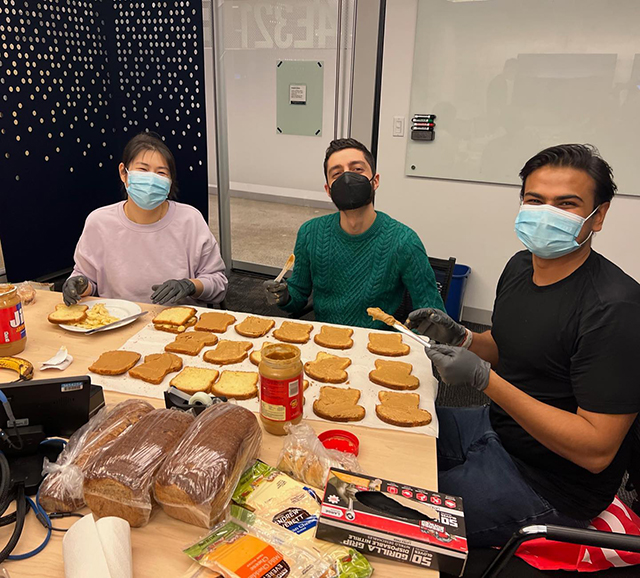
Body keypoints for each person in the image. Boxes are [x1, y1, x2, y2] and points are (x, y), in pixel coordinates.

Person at [408, 144, 640, 548]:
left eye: (566, 204)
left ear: (598, 216)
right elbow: (508, 345)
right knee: (390, 442)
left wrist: (484, 380)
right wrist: (463, 337)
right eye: (535, 200)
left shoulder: (615, 310)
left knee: (396, 520)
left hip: (549, 482)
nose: (546, 213)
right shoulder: (520, 266)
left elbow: (596, 450)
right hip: (495, 427)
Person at [263, 138, 444, 329]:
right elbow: (298, 295)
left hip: (377, 347)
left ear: (375, 181)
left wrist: (405, 342)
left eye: (357, 169)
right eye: (337, 173)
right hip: (325, 341)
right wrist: (284, 296)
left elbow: (434, 315)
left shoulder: (404, 241)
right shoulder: (310, 233)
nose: (347, 178)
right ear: (328, 190)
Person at [63, 132, 227, 306]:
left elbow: (219, 285)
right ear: (123, 173)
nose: (151, 180)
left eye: (161, 173)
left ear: (170, 181)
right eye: (142, 169)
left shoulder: (190, 220)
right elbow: (88, 281)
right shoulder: (99, 222)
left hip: (178, 324)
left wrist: (190, 285)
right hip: (115, 322)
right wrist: (78, 285)